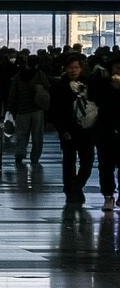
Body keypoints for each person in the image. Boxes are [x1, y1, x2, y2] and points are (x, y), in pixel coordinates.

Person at [50, 51, 97, 205]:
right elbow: (55, 110)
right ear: (66, 69)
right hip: (68, 130)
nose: (73, 70)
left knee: (87, 161)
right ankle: (70, 188)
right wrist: (62, 129)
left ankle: (78, 184)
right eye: (70, 68)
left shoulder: (89, 84)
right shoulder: (60, 86)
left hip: (86, 129)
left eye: (76, 67)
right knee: (69, 161)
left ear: (81, 68)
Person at [7, 55, 50, 166]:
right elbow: (47, 87)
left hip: (22, 110)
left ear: (26, 63)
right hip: (37, 109)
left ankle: (19, 154)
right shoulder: (40, 74)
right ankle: (35, 158)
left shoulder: (18, 76)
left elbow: (12, 93)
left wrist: (10, 109)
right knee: (37, 136)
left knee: (21, 134)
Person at [91, 55, 120, 210]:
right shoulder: (102, 85)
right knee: (106, 165)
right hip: (105, 130)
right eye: (117, 68)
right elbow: (96, 101)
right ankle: (108, 196)